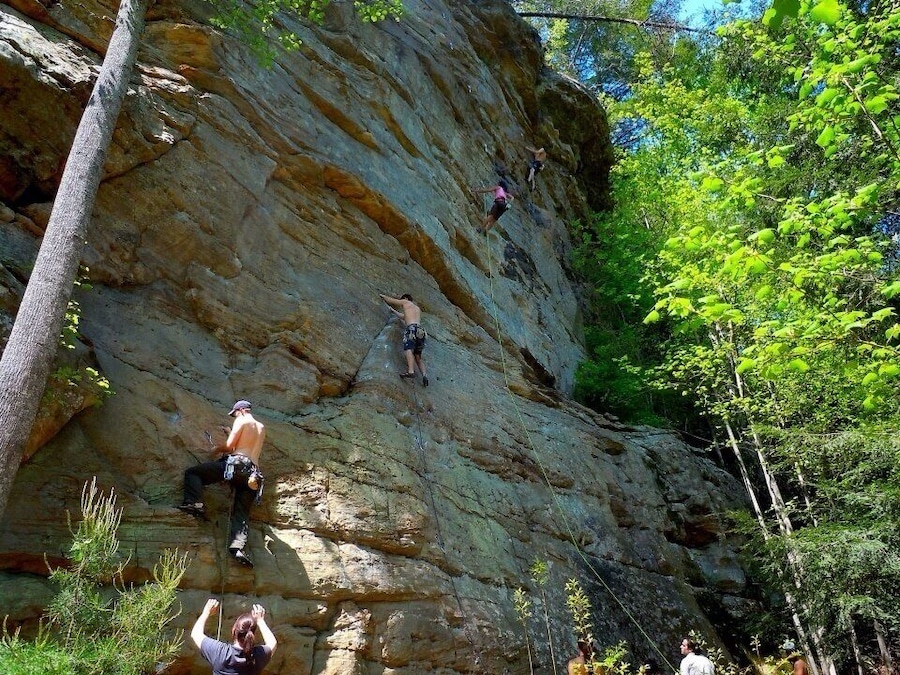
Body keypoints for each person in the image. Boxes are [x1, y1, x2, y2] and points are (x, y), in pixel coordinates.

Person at [177, 400, 266, 568]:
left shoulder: (242, 419)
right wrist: (230, 432)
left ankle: (194, 502)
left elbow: (230, 446)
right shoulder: (261, 427)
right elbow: (246, 447)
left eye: (235, 414)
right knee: (241, 512)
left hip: (236, 466)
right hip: (253, 475)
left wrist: (216, 449)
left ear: (241, 410)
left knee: (193, 473)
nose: (235, 416)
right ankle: (237, 548)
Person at [190, 598, 277, 674]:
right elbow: (273, 643)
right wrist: (260, 621)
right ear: (253, 634)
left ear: (234, 631)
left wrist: (206, 612)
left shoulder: (221, 653)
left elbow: (195, 633)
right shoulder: (258, 656)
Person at [379, 293, 428, 386]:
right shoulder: (417, 309)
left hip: (412, 329)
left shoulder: (405, 302)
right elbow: (404, 316)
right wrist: (393, 310)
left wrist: (382, 296)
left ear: (405, 298)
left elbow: (391, 300)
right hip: (421, 331)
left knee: (408, 349)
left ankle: (410, 371)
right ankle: (425, 375)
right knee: (418, 356)